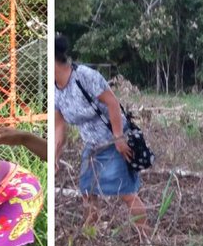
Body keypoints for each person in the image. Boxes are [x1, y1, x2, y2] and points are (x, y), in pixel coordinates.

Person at [53, 34, 148, 234]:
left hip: (113, 141)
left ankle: (146, 239)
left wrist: (119, 138)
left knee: (126, 193)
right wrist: (55, 157)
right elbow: (59, 128)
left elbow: (112, 103)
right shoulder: (54, 90)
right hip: (92, 146)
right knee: (88, 192)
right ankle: (90, 235)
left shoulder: (84, 76)